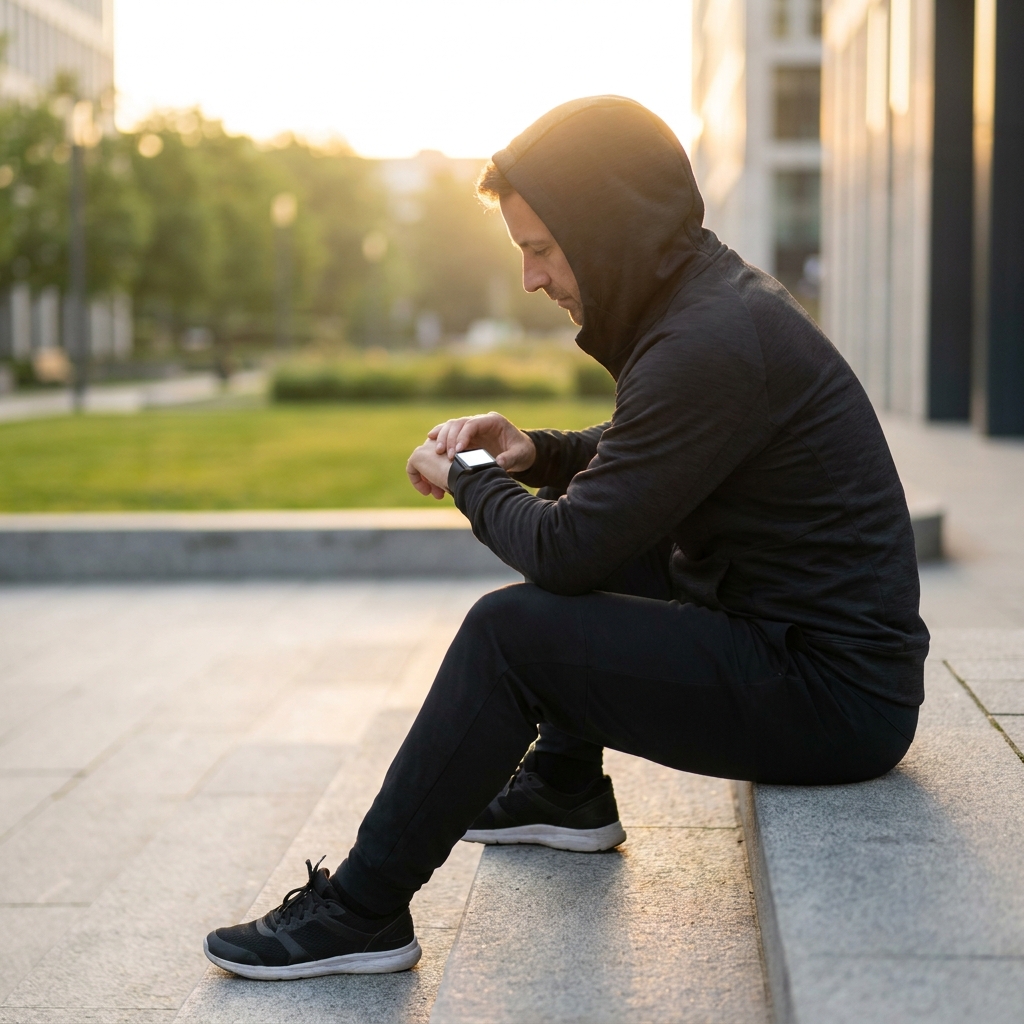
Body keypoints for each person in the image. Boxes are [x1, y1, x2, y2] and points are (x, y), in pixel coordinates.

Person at [203, 96, 928, 980]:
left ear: (608, 227)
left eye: (541, 249)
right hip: (800, 645)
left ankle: (361, 912)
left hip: (831, 697)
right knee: (611, 533)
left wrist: (470, 478)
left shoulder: (710, 337)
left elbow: (565, 552)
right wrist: (533, 451)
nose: (532, 279)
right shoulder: (704, 303)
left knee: (509, 634)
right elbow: (652, 458)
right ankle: (564, 787)